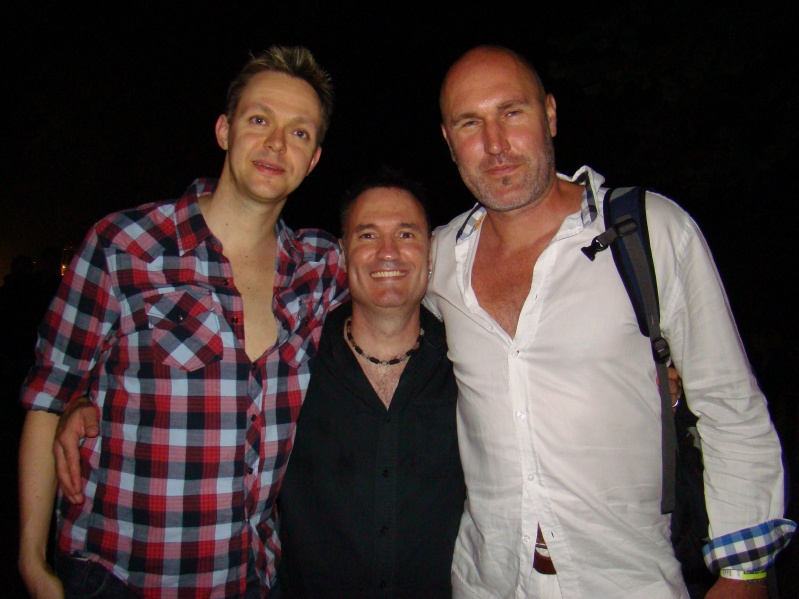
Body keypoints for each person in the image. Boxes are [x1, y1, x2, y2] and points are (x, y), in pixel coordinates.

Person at [425, 45, 795, 598]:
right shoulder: (438, 261)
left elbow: (729, 403)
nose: (496, 144)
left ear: (550, 115)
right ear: (449, 140)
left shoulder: (649, 231)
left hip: (629, 581)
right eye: (469, 123)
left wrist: (745, 572)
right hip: (487, 581)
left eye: (512, 112)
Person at [18, 45, 347, 598]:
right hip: (119, 577)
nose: (275, 143)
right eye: (259, 120)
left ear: (312, 159)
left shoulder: (322, 268)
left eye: (298, 132)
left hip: (250, 577)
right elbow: (50, 399)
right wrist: (32, 562)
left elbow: (408, 269)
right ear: (224, 130)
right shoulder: (124, 245)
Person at [276, 169, 465, 597]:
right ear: (343, 253)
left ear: (430, 252)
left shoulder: (468, 368)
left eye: (405, 234)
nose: (388, 253)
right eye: (367, 235)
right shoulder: (292, 364)